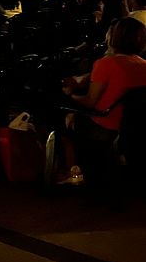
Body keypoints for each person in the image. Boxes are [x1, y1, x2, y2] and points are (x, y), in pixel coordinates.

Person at [62, 18, 146, 186]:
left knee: (65, 118)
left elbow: (90, 102)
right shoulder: (143, 64)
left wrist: (69, 95)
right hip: (135, 128)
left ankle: (74, 172)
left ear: (113, 36)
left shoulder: (106, 64)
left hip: (107, 126)